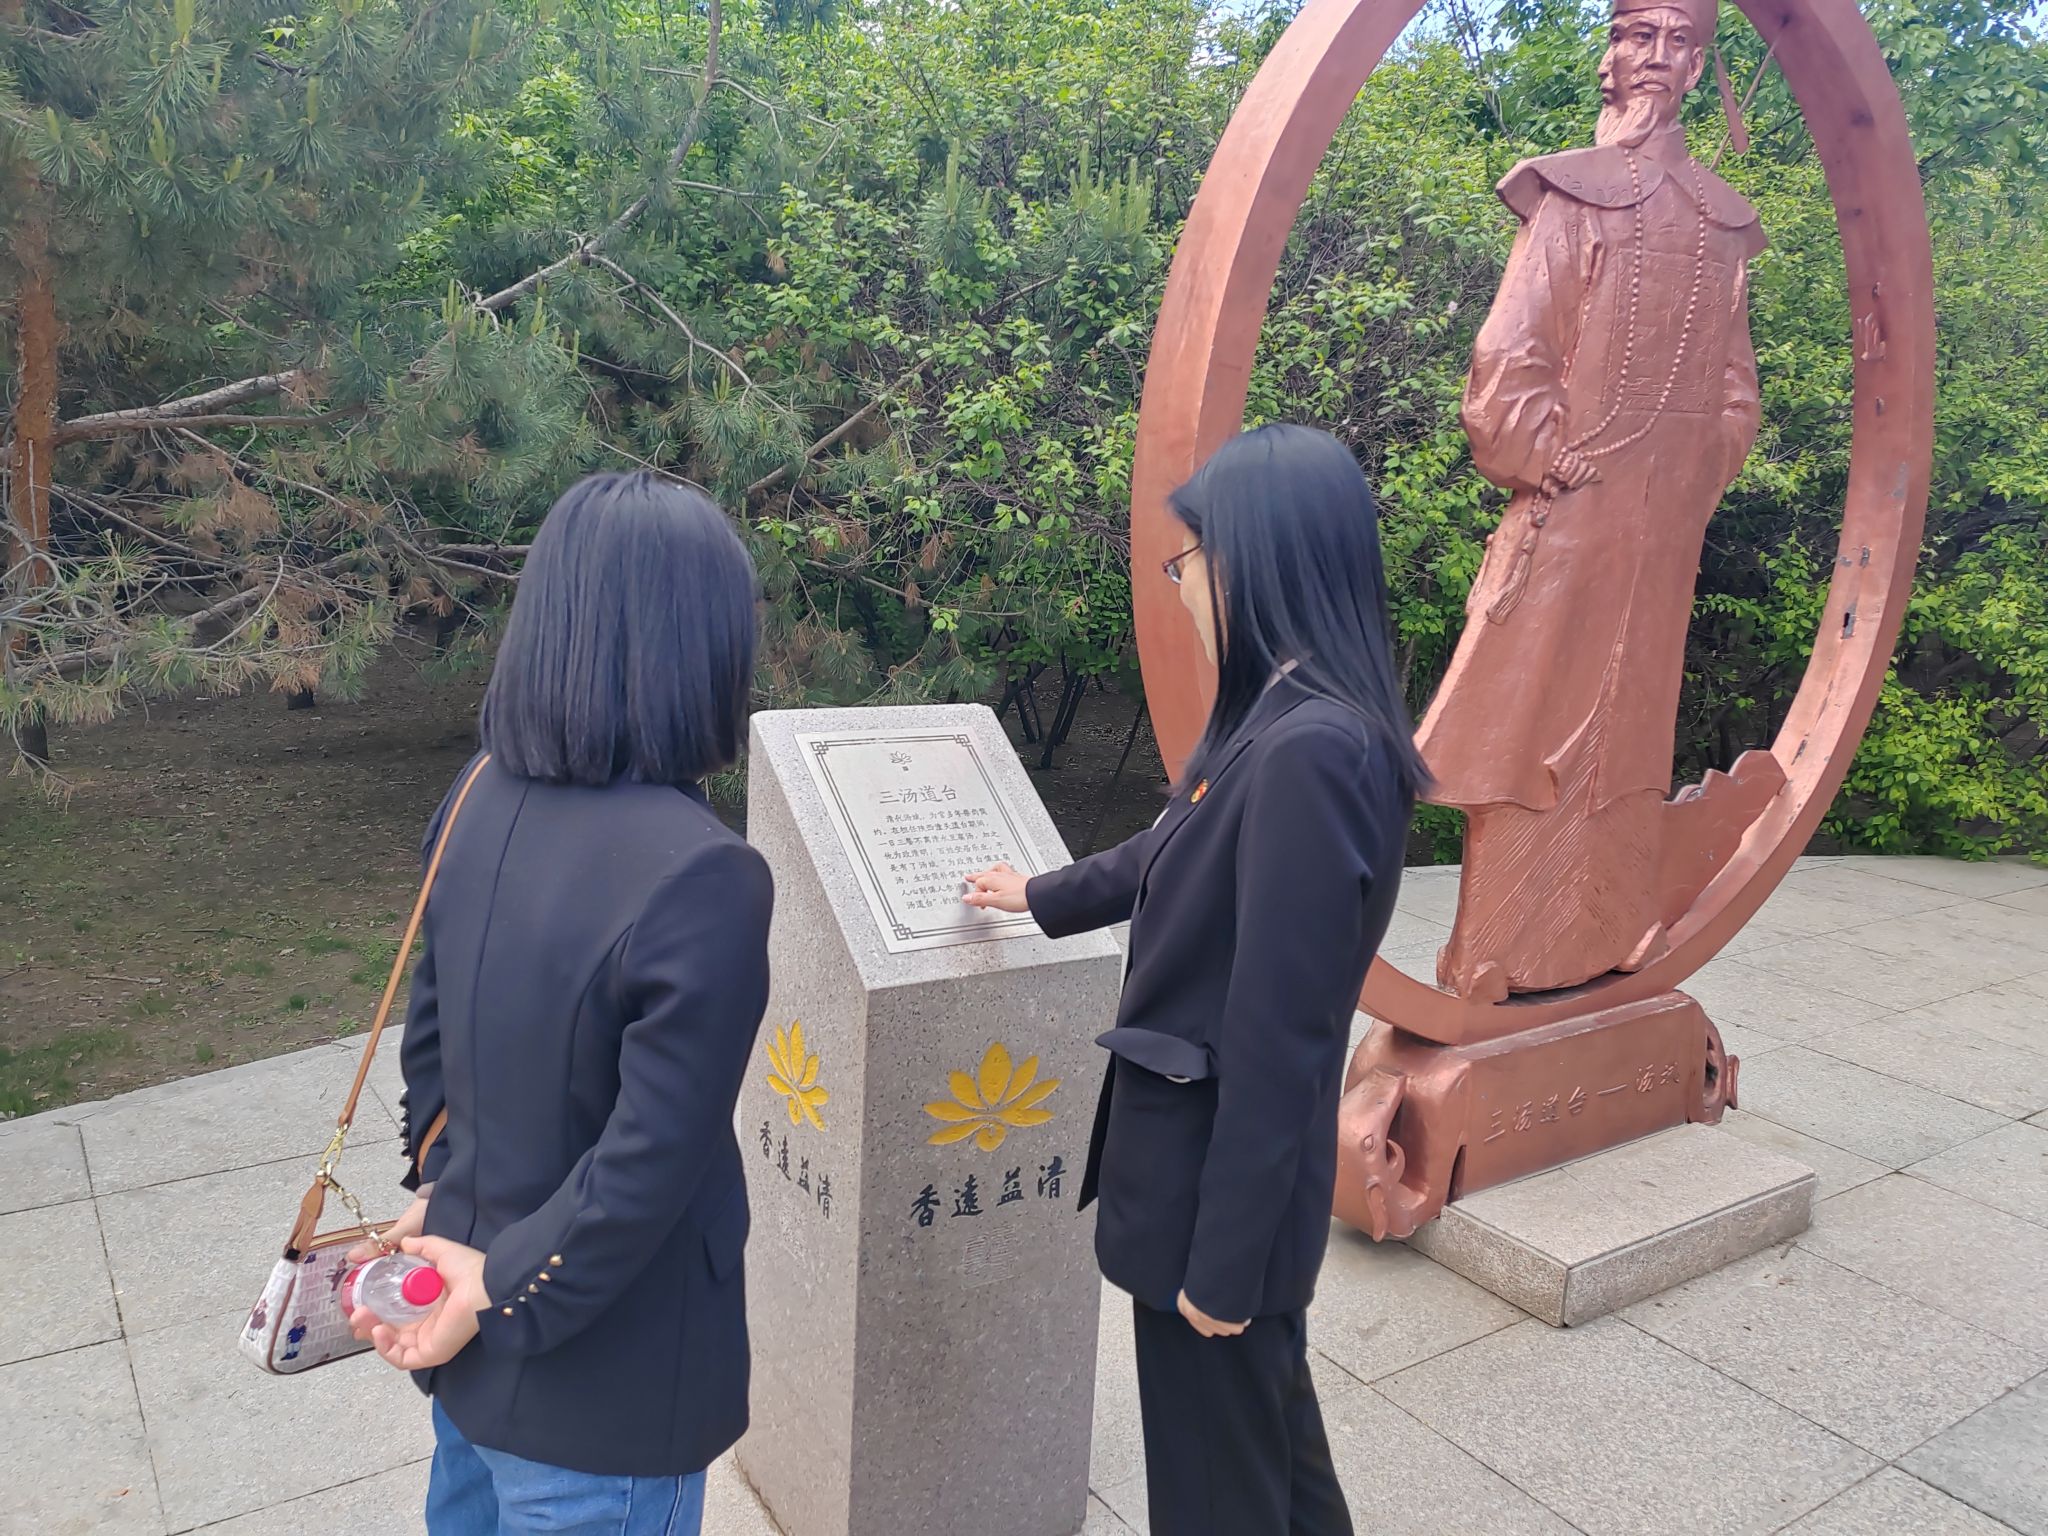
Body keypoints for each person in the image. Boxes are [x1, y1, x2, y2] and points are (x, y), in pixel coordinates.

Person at [965, 425, 1425, 1535]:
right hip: (1194, 1178)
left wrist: (1224, 1266)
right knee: (1269, 1463)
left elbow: (1284, 1035)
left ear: (1258, 558)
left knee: (1216, 1493)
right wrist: (1038, 894)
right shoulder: (1277, 721)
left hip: (1215, 1204)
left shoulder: (1313, 751)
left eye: (1191, 559)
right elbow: (1166, 848)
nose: (1183, 588)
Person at [349, 471, 772, 1536]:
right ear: (702, 647)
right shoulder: (704, 871)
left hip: (466, 1332)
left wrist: (445, 1193)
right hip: (606, 1375)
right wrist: (497, 1283)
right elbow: (650, 1156)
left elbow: (432, 1038)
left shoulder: (478, 792)